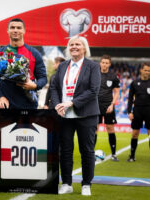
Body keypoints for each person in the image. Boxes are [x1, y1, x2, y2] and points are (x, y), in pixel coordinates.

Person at [50, 36, 101, 196]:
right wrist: (58, 104)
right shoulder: (63, 65)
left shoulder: (92, 66)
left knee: (86, 150)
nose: (74, 47)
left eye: (77, 44)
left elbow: (93, 90)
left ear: (84, 48)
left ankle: (86, 184)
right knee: (65, 150)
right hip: (64, 114)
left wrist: (71, 102)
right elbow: (54, 87)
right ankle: (66, 183)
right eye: (71, 44)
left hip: (86, 114)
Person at [0, 18, 47, 109]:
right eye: (12, 27)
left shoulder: (34, 53)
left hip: (28, 105)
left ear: (24, 31)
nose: (15, 30)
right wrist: (0, 96)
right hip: (6, 106)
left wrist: (35, 86)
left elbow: (43, 77)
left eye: (19, 28)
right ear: (7, 30)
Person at [127, 63, 150, 163]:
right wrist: (129, 111)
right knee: (134, 134)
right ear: (141, 70)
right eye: (145, 70)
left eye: (149, 71)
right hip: (137, 110)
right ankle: (132, 156)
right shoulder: (134, 83)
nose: (147, 72)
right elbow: (130, 99)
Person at [96, 55, 120, 161]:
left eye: (107, 63)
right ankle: (90, 154)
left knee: (110, 128)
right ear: (100, 63)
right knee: (94, 129)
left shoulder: (113, 76)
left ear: (109, 64)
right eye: (103, 62)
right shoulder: (94, 74)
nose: (104, 64)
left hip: (108, 106)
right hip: (95, 106)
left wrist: (112, 104)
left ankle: (114, 154)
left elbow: (116, 92)